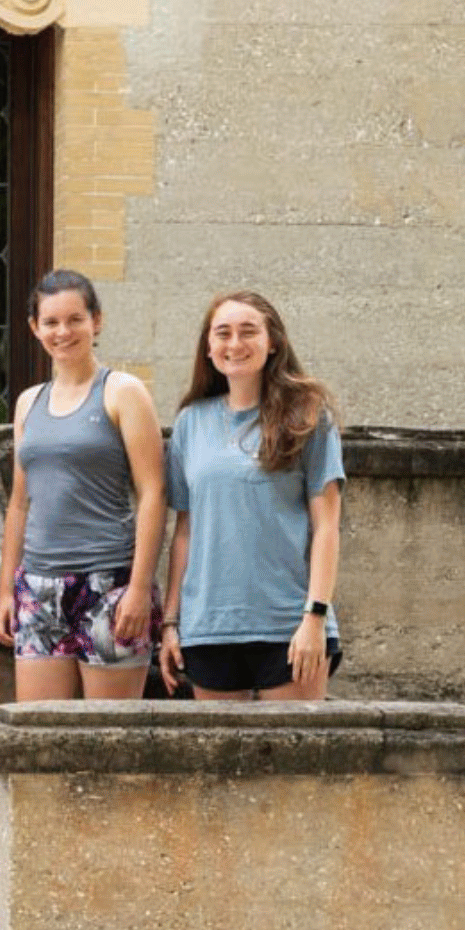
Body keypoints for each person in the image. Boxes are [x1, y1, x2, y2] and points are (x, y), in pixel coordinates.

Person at [159, 291, 344, 702]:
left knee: (295, 764)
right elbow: (185, 532)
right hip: (208, 626)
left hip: (289, 625)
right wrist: (171, 622)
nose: (235, 343)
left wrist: (315, 616)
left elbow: (327, 526)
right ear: (208, 347)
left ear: (272, 341)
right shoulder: (190, 423)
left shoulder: (308, 417)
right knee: (220, 766)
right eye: (223, 333)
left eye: (248, 331)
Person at [0, 270, 166, 701]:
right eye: (51, 322)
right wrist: (6, 590)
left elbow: (153, 494)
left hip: (109, 585)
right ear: (35, 328)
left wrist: (140, 588)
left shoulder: (122, 392)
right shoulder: (28, 402)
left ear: (96, 322)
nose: (63, 331)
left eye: (75, 319)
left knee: (109, 743)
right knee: (39, 739)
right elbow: (19, 504)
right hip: (39, 585)